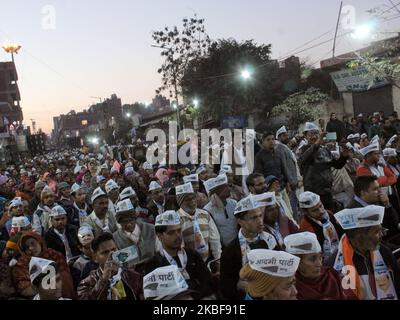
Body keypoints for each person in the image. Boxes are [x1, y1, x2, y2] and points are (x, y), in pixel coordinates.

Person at [331, 206, 400, 300]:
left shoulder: (383, 251)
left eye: (381, 230)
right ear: (359, 237)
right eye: (377, 232)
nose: (382, 235)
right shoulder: (336, 262)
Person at [145, 210, 215, 299]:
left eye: (179, 230)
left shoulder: (192, 255)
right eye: (171, 233)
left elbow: (208, 284)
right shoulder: (154, 264)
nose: (178, 235)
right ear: (160, 236)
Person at [220, 193, 277, 300]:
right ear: (241, 221)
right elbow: (227, 288)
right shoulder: (231, 251)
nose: (260, 221)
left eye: (260, 215)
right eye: (254, 218)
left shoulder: (270, 239)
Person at [298, 122, 349, 211]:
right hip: (313, 191)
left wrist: (344, 156)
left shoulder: (325, 149)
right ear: (305, 136)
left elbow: (337, 165)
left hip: (327, 190)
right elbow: (306, 157)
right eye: (311, 134)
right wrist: (318, 141)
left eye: (316, 133)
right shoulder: (303, 149)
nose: (314, 137)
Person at [77, 233, 144, 300]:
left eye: (113, 249)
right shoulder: (86, 284)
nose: (111, 255)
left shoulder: (134, 276)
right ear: (95, 258)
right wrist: (103, 281)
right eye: (105, 252)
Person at [12, 231, 75, 299]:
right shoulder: (22, 263)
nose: (31, 248)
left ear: (39, 241)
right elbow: (24, 289)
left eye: (33, 244)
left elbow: (65, 278)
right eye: (26, 247)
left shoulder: (53, 254)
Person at [284, 232, 345, 300]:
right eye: (312, 259)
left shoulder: (331, 275)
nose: (319, 264)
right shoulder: (290, 286)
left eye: (320, 257)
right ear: (297, 263)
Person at [175, 182, 221, 264]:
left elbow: (215, 239)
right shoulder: (176, 219)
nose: (192, 201)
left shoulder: (204, 214)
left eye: (193, 198)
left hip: (208, 262)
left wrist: (218, 260)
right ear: (180, 202)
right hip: (188, 264)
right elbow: (179, 247)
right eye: (188, 200)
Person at [347, 176, 400, 243]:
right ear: (363, 193)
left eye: (379, 187)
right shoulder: (352, 211)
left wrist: (387, 204)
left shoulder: (377, 200)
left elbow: (394, 224)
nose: (380, 191)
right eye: (375, 189)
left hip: (387, 238)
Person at [298, 191, 342, 261]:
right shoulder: (306, 229)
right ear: (305, 212)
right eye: (315, 210)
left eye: (321, 206)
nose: (321, 211)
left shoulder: (328, 214)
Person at [112, 199, 157, 264]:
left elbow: (160, 251)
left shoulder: (151, 229)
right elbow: (119, 262)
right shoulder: (115, 238)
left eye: (130, 220)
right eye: (124, 222)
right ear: (119, 222)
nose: (128, 224)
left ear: (135, 218)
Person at [203, 174, 238, 248]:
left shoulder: (234, 203)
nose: (228, 189)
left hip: (238, 243)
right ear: (216, 191)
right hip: (222, 248)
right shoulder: (207, 210)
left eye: (227, 186)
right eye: (224, 187)